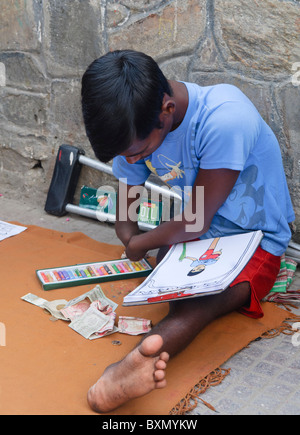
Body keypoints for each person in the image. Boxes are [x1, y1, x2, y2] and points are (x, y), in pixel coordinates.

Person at [81, 49, 295, 413]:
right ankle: (160, 336)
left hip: (254, 241)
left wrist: (139, 244)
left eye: (138, 152)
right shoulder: (134, 126)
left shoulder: (225, 119)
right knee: (172, 285)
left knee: (205, 303)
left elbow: (194, 220)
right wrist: (128, 234)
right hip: (198, 234)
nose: (132, 160)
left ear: (167, 110)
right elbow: (127, 201)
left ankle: (130, 365)